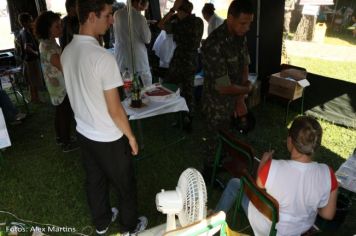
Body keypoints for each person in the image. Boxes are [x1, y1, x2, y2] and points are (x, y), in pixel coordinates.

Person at [60, 0, 147, 235]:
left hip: (84, 131)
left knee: (94, 180)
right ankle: (129, 227)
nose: (111, 21)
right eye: (107, 15)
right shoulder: (102, 57)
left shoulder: (67, 51)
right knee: (125, 185)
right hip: (108, 135)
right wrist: (130, 136)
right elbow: (115, 109)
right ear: (91, 16)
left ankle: (102, 221)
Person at [215, 116, 338, 236]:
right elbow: (328, 214)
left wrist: (263, 164)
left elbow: (258, 189)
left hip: (268, 229)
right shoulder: (328, 173)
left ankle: (213, 222)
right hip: (299, 231)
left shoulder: (273, 167)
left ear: (290, 140)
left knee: (235, 183)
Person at [201, 0, 254, 133]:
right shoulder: (214, 44)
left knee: (233, 142)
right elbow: (223, 87)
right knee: (217, 145)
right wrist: (246, 89)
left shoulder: (240, 36)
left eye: (249, 23)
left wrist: (240, 99)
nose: (247, 28)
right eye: (243, 23)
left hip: (235, 97)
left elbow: (244, 66)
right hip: (217, 106)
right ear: (230, 18)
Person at [35, 11, 78, 152]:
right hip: (60, 86)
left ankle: (60, 138)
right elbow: (61, 66)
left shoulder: (48, 42)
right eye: (57, 26)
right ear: (47, 28)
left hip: (56, 85)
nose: (60, 28)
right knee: (64, 113)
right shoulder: (49, 46)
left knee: (60, 111)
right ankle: (66, 143)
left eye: (60, 25)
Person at [158, 0, 204, 131]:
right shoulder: (199, 22)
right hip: (193, 59)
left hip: (180, 60)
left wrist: (172, 10)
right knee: (188, 90)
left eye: (179, 11)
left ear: (182, 11)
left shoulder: (179, 24)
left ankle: (170, 112)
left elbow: (161, 25)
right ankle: (188, 118)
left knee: (169, 87)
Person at [113, 0, 152, 85]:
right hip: (137, 56)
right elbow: (147, 39)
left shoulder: (117, 14)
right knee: (146, 82)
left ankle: (129, 97)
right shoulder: (140, 18)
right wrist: (146, 25)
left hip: (121, 54)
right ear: (138, 2)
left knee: (127, 82)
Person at [18, 12, 44, 103]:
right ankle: (35, 99)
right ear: (25, 22)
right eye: (30, 21)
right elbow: (26, 47)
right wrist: (36, 53)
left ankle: (34, 98)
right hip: (30, 59)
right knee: (34, 80)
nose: (32, 22)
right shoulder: (25, 33)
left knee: (31, 80)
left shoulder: (22, 31)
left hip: (27, 59)